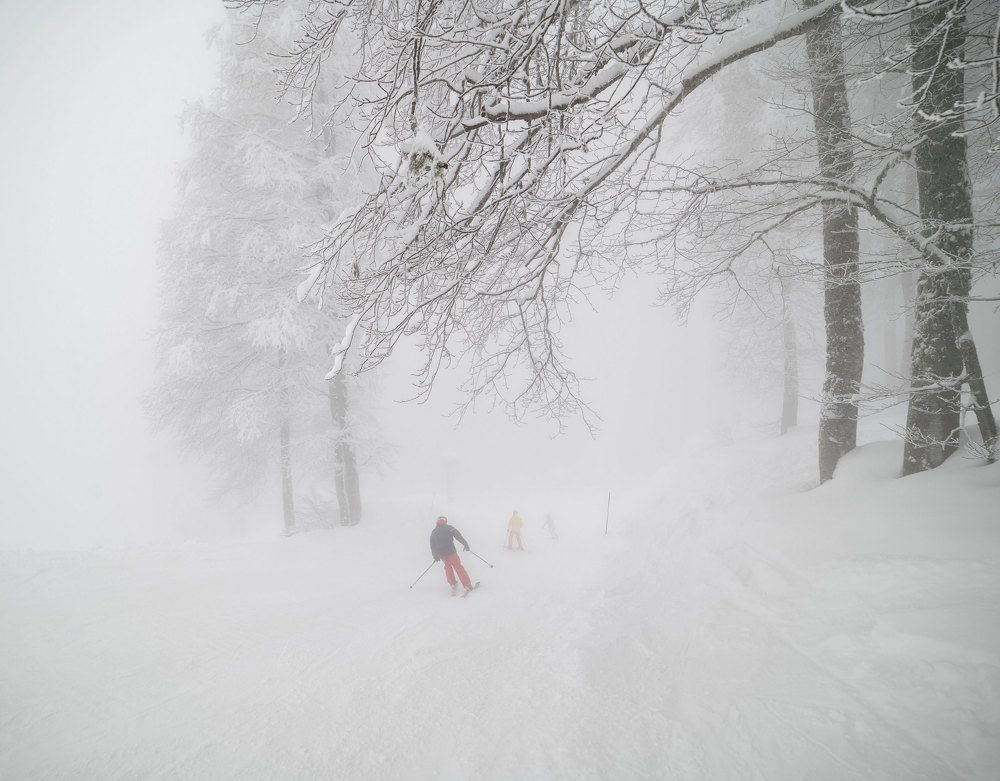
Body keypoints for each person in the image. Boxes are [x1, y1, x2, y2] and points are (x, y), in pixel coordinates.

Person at [430, 516, 474, 595]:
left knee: (447, 567)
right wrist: (465, 544)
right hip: (451, 553)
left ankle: (452, 583)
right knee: (458, 567)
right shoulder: (449, 528)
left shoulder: (434, 532)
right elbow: (458, 536)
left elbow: (432, 546)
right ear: (445, 521)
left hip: (442, 555)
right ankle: (467, 585)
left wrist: (435, 556)